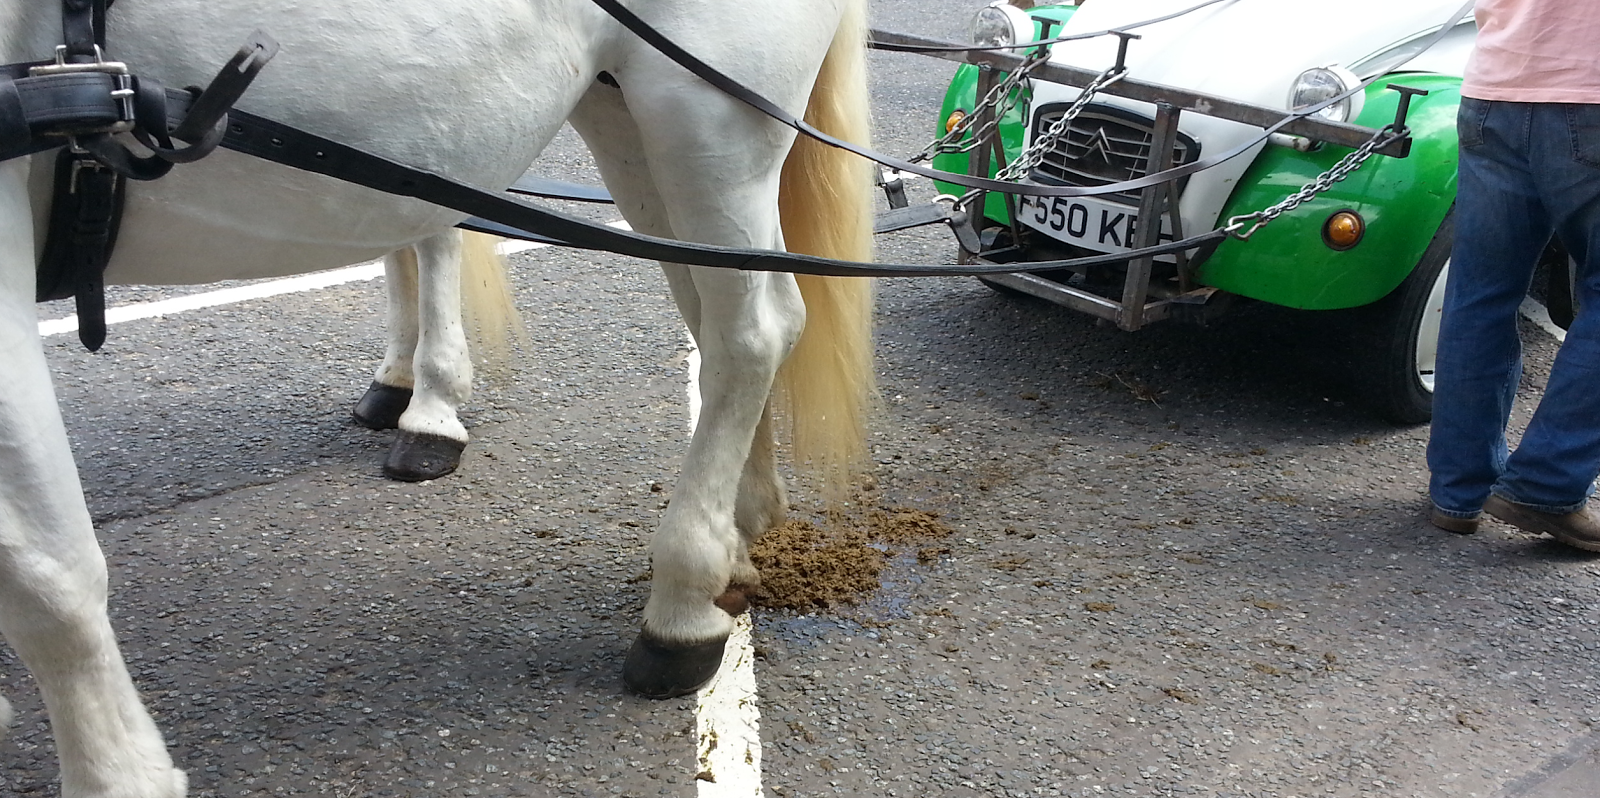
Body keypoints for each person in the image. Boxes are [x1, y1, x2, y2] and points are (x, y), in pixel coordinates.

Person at [1426, 0, 1600, 552]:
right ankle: (1545, 484)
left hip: (1496, 89)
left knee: (1481, 293)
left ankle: (1459, 489)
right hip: (1590, 93)